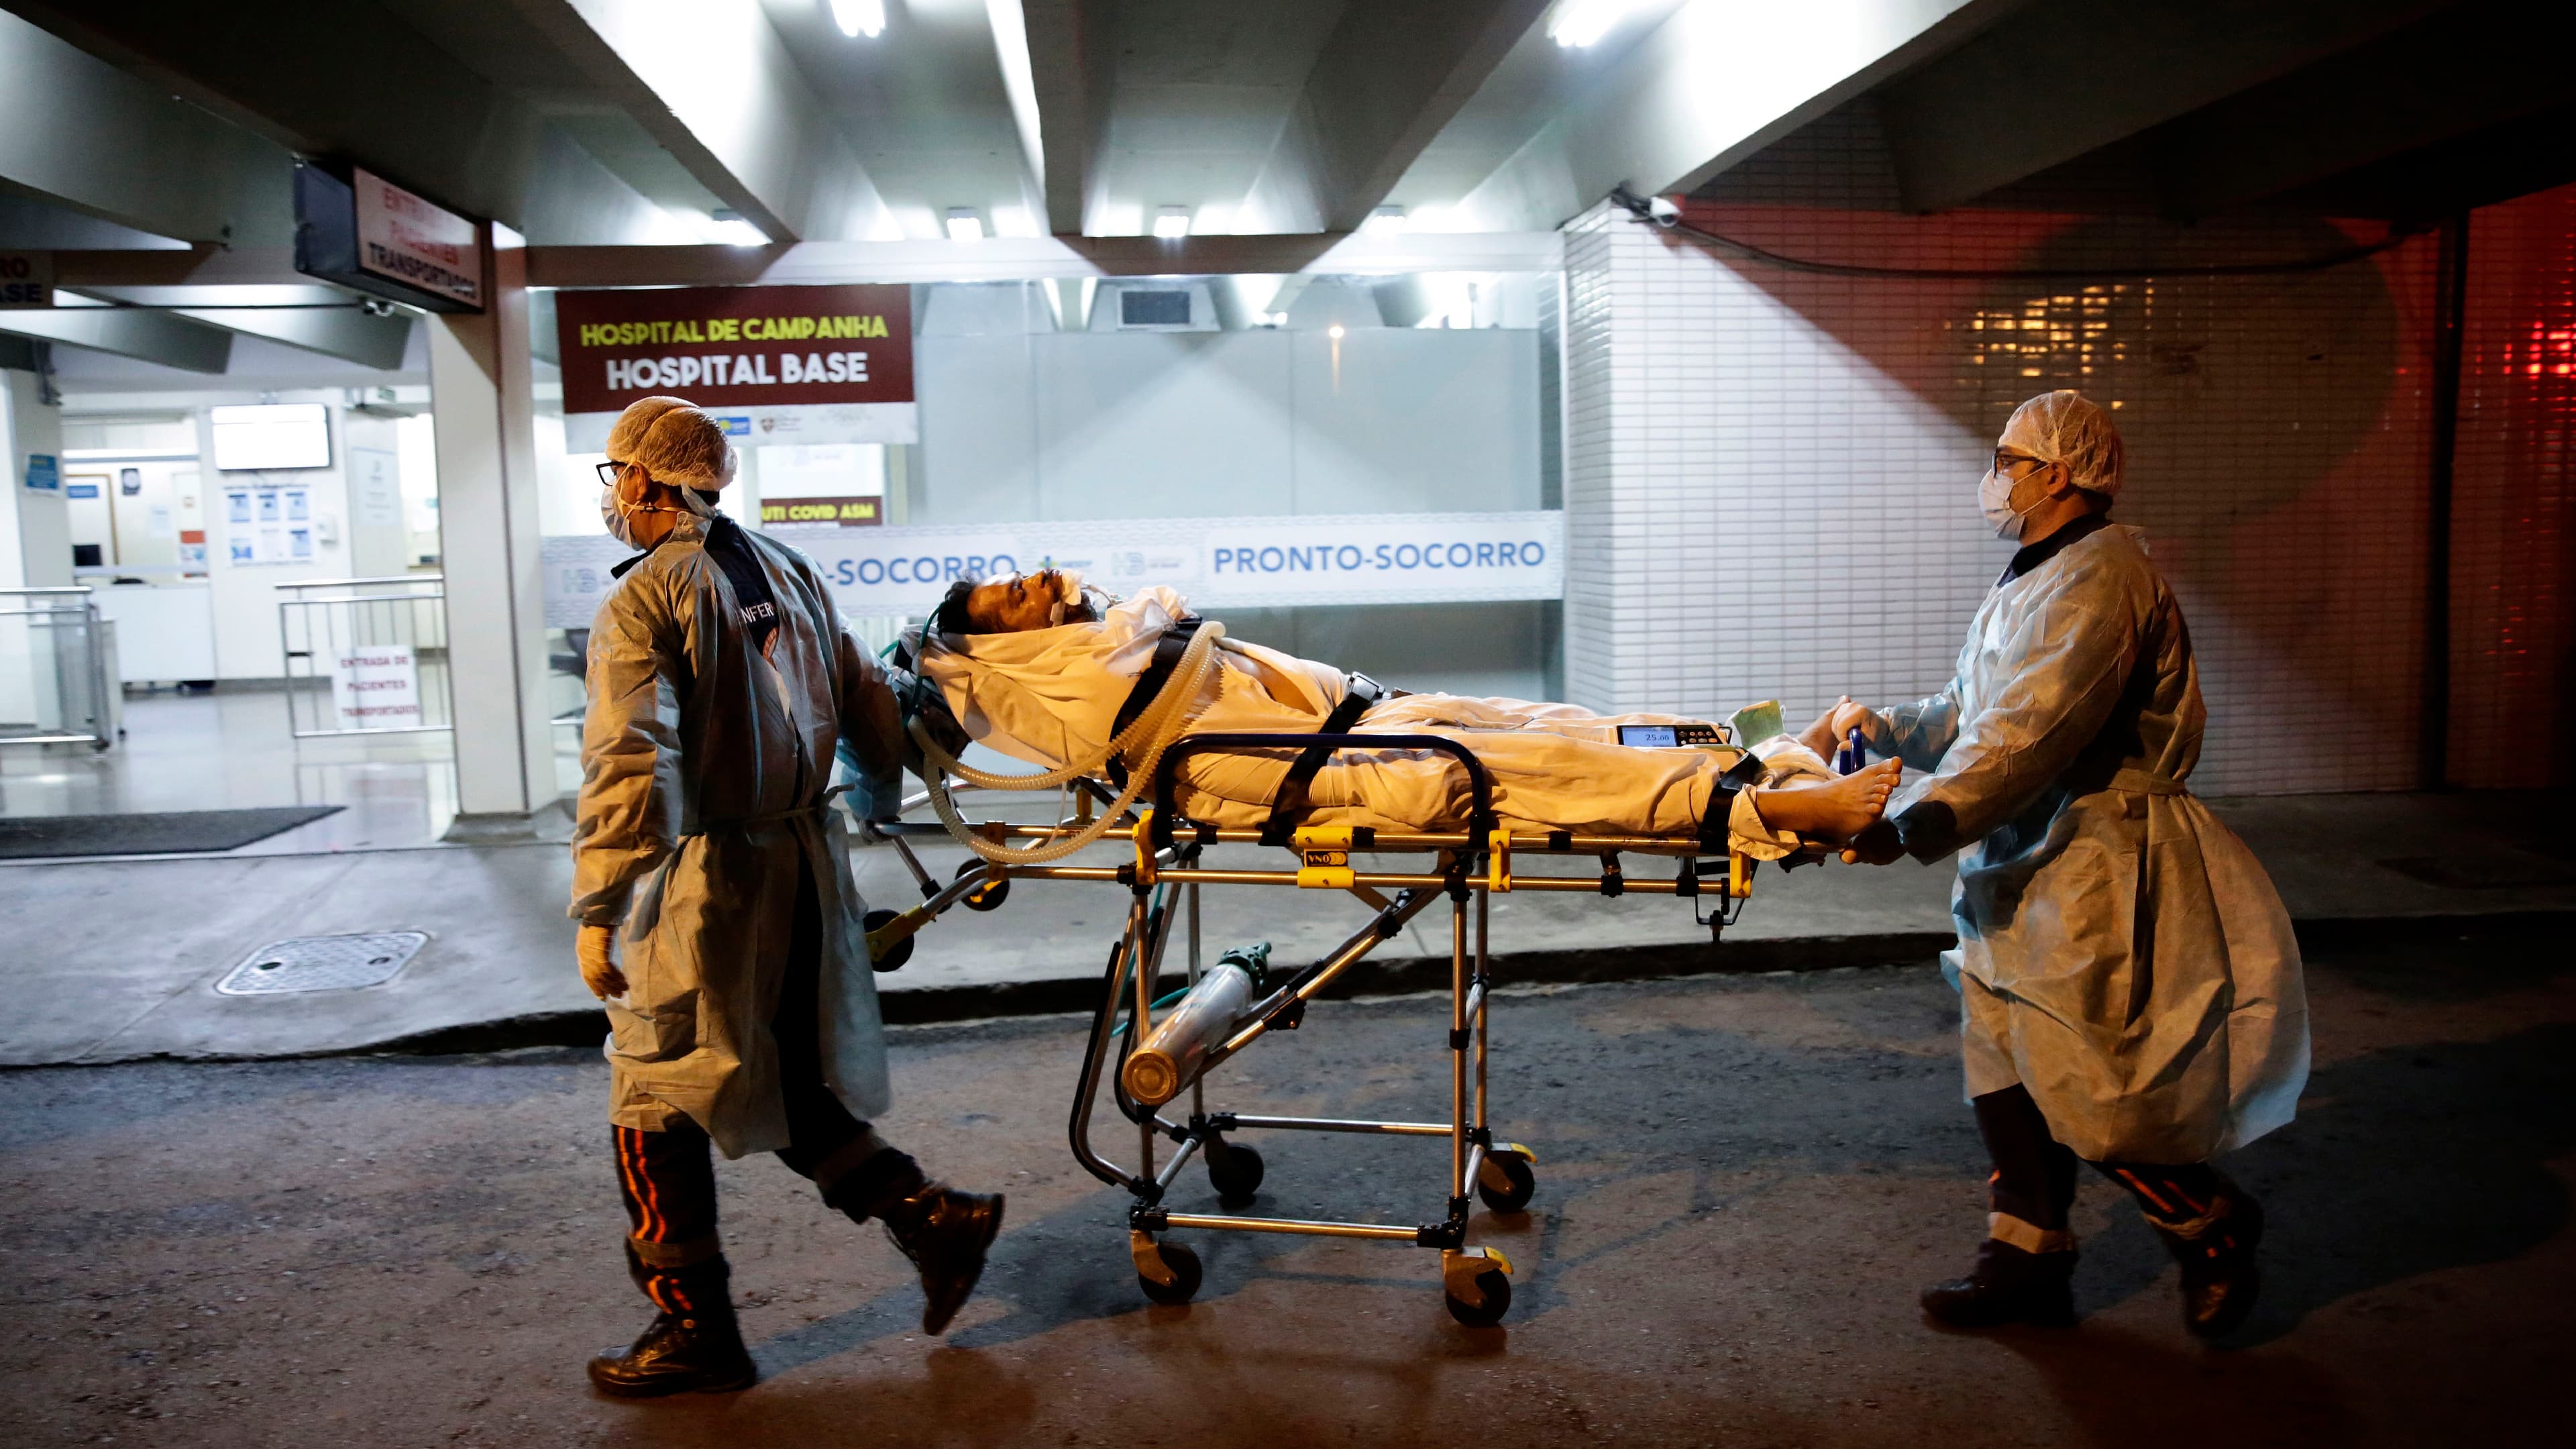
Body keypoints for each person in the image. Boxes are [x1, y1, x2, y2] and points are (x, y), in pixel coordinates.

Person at [1812, 390, 2308, 1339]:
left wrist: (1907, 825)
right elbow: (1972, 711)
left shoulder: (2102, 579)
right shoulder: (2032, 572)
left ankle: (2206, 1221)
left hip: (2090, 864)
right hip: (2019, 862)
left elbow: (2027, 738)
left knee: (2093, 1083)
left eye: (2007, 457)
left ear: (2057, 472)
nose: (1993, 475)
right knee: (2001, 1061)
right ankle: (2026, 1261)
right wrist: (1885, 729)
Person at [572, 396, 1003, 1397]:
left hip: (711, 883)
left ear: (640, 480)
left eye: (610, 475)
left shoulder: (645, 599)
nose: (611, 494)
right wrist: (884, 808)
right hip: (805, 866)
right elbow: (867, 710)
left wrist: (600, 904)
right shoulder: (787, 570)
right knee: (776, 1074)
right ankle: (933, 1219)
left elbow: (632, 760)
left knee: (651, 1092)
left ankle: (696, 1332)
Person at [910, 572, 1902, 854]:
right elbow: (1132, 686)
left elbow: (1156, 633)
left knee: (1554, 725)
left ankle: (1754, 749)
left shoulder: (1105, 637)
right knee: (1519, 771)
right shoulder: (1048, 686)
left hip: (1357, 713)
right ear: (999, 646)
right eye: (1014, 600)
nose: (1040, 582)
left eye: (1025, 579)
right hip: (1274, 766)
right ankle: (1769, 810)